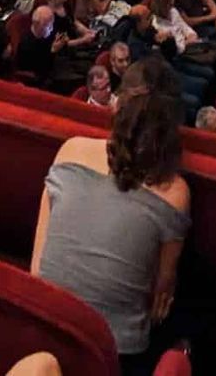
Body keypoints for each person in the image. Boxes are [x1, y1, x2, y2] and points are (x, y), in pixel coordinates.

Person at [31, 61, 191, 370]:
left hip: (42, 324)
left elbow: (38, 263)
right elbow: (160, 293)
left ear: (117, 103)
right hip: (114, 353)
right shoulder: (175, 190)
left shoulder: (70, 150)